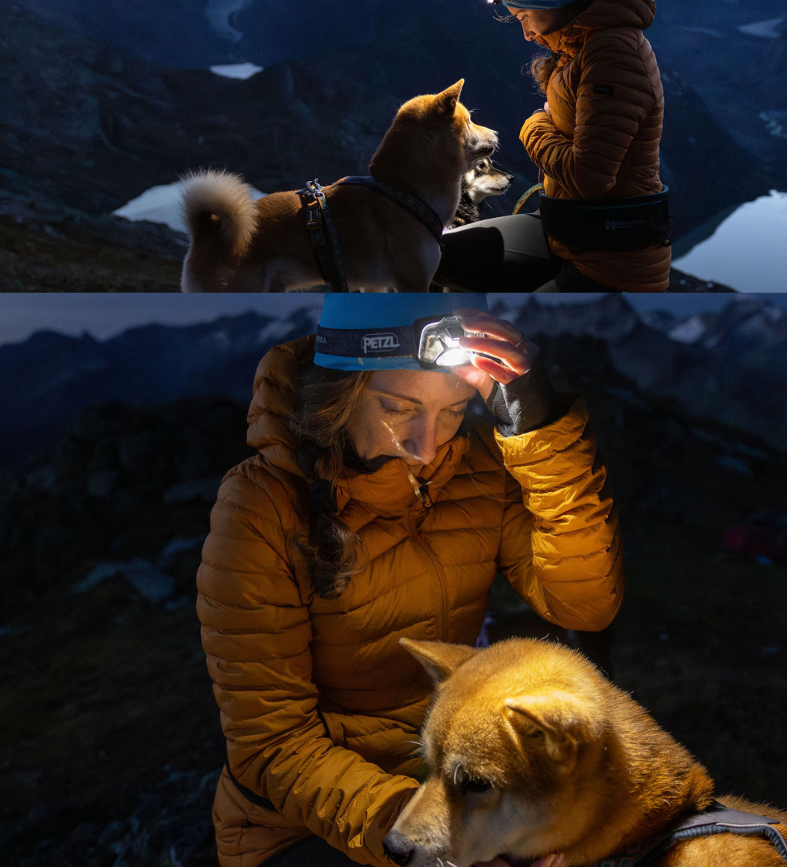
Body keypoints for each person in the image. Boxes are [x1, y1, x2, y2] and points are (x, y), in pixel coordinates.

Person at [197, 294, 623, 867]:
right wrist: (432, 833)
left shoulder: (477, 468)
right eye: (398, 409)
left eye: (453, 412)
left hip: (452, 783)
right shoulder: (259, 507)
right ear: (339, 395)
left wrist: (538, 425)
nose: (427, 448)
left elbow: (585, 605)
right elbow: (271, 745)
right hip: (307, 824)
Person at [437, 0, 672, 293]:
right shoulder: (578, 44)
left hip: (613, 257)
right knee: (433, 254)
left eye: (527, 16)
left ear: (557, 1)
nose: (527, 33)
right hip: (565, 229)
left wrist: (534, 128)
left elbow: (589, 177)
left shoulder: (611, 54)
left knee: (521, 321)